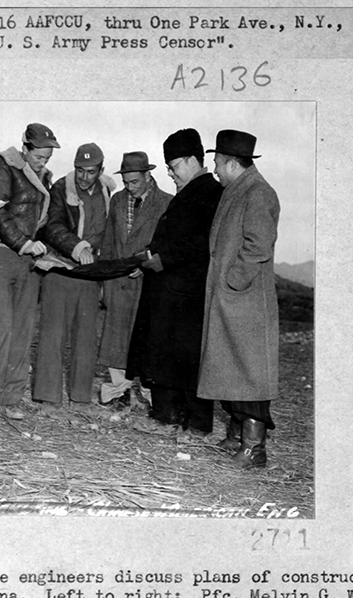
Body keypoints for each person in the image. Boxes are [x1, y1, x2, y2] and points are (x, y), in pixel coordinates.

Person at [126, 129, 223, 434]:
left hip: (187, 294)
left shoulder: (209, 192)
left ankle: (195, 424)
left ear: (194, 160)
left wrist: (163, 259)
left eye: (174, 166)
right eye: (168, 168)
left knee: (187, 359)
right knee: (167, 356)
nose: (170, 174)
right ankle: (167, 414)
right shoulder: (190, 192)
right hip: (171, 291)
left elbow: (200, 242)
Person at [198, 129, 281, 467]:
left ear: (232, 163)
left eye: (217, 163)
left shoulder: (258, 192)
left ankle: (254, 449)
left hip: (244, 301)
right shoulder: (239, 189)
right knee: (233, 369)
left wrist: (233, 280)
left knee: (249, 374)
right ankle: (236, 436)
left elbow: (259, 245)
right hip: (233, 300)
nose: (215, 169)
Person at [0, 123, 59, 420]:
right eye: (39, 157)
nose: (43, 163)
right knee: (2, 325)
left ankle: (11, 397)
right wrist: (23, 243)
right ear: (25, 148)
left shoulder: (43, 179)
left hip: (28, 261)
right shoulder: (2, 168)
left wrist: (68, 248)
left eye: (47, 159)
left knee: (23, 328)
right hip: (0, 254)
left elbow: (47, 223)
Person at [33, 143, 115, 414]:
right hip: (60, 269)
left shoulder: (106, 191)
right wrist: (78, 247)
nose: (83, 177)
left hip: (89, 275)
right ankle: (48, 397)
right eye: (79, 170)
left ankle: (81, 398)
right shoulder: (60, 188)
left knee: (86, 337)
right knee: (53, 335)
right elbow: (51, 226)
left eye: (90, 171)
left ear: (100, 170)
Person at [98, 151, 172, 408]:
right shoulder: (118, 201)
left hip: (147, 283)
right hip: (118, 281)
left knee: (147, 338)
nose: (129, 187)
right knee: (116, 337)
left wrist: (147, 267)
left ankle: (151, 394)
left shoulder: (166, 202)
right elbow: (108, 241)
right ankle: (118, 390)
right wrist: (104, 278)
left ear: (148, 176)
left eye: (135, 182)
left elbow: (167, 247)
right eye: (126, 182)